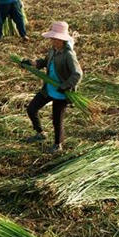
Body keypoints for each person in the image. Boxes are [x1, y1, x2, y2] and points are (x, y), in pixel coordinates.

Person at [23, 21, 83, 153]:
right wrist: (31, 63)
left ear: (61, 39)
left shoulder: (68, 55)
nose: (51, 40)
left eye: (54, 38)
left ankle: (58, 145)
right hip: (49, 88)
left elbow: (77, 74)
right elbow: (45, 62)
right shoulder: (53, 51)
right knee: (31, 109)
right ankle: (40, 133)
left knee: (57, 120)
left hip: (61, 93)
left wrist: (65, 86)